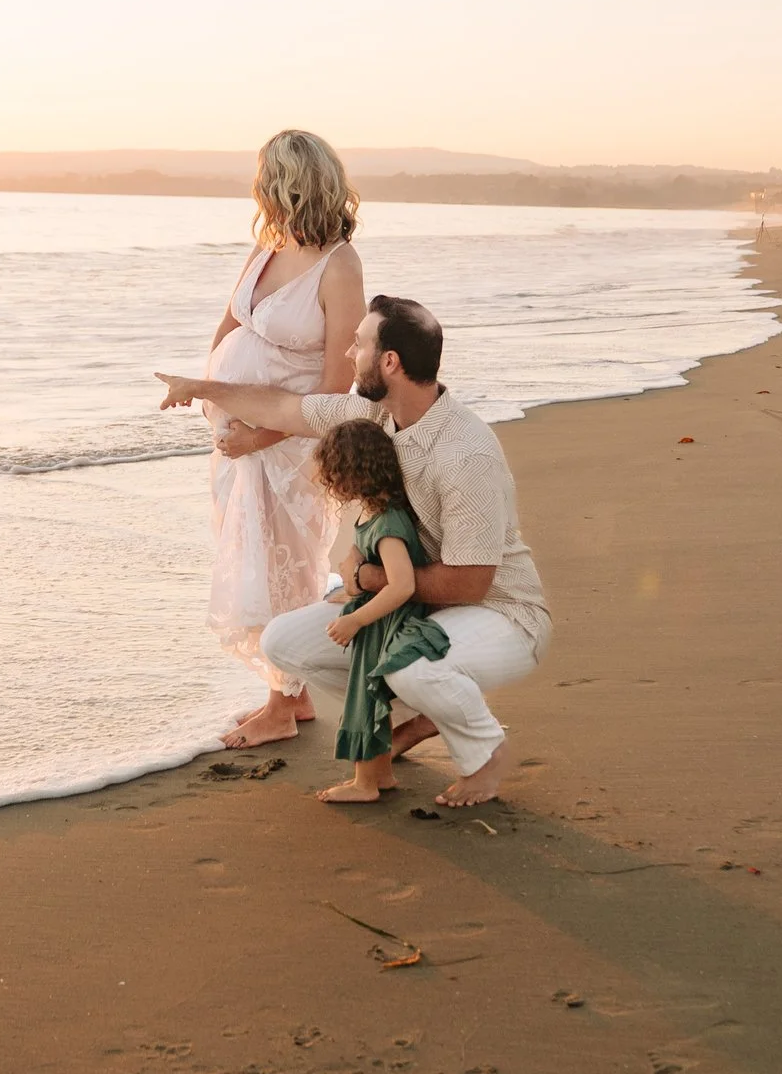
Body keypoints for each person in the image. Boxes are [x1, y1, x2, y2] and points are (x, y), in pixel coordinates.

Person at [158, 296, 550, 807]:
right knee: (286, 642)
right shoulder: (371, 413)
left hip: (499, 614)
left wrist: (366, 582)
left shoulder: (464, 451)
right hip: (412, 604)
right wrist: (199, 388)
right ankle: (416, 716)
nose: (347, 353)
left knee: (410, 663)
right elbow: (282, 408)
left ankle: (484, 754)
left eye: (359, 344)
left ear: (390, 362)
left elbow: (469, 584)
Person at [200, 129, 366, 750]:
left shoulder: (339, 263)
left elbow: (336, 382)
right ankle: (287, 696)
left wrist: (263, 435)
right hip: (238, 440)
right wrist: (216, 399)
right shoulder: (265, 247)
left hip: (289, 441)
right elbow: (228, 326)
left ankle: (281, 704)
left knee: (285, 565)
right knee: (251, 558)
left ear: (291, 183)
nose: (261, 192)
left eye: (267, 179)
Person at [309, 419, 449, 804]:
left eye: (333, 471)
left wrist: (357, 619)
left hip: (389, 622)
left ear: (352, 472)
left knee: (365, 696)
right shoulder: (371, 511)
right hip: (377, 617)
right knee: (366, 694)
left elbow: (403, 584)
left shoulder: (387, 522)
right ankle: (381, 775)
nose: (330, 480)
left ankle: (364, 784)